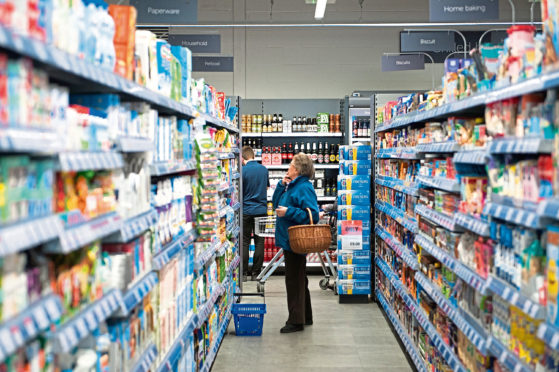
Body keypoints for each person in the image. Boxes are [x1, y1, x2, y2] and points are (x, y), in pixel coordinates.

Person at [272, 153, 319, 333]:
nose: (288, 167)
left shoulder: (304, 187)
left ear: (298, 169)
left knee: (293, 280)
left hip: (296, 240)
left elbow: (312, 215)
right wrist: (280, 185)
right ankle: (305, 316)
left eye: (291, 165)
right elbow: (276, 204)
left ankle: (295, 321)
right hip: (289, 238)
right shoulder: (291, 185)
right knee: (300, 279)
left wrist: (289, 212)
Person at [242, 146, 269, 281]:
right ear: (253, 155)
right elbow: (267, 187)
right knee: (259, 241)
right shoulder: (264, 169)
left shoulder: (242, 170)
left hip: (246, 210)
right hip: (261, 210)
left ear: (243, 158)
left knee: (245, 241)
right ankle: (256, 272)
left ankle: (244, 273)